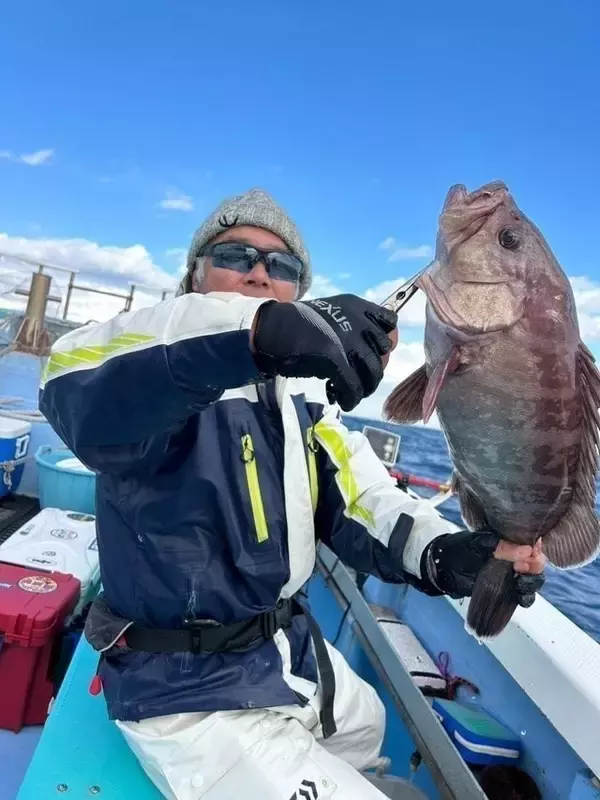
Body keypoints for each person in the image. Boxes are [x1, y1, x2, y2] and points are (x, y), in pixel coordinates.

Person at [39, 189, 546, 800]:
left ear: (298, 291)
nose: (259, 271)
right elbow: (71, 376)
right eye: (235, 254)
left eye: (282, 267)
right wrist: (257, 333)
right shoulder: (151, 366)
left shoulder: (305, 402)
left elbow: (368, 501)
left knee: (369, 728)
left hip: (287, 651)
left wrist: (446, 553)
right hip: (185, 690)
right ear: (194, 275)